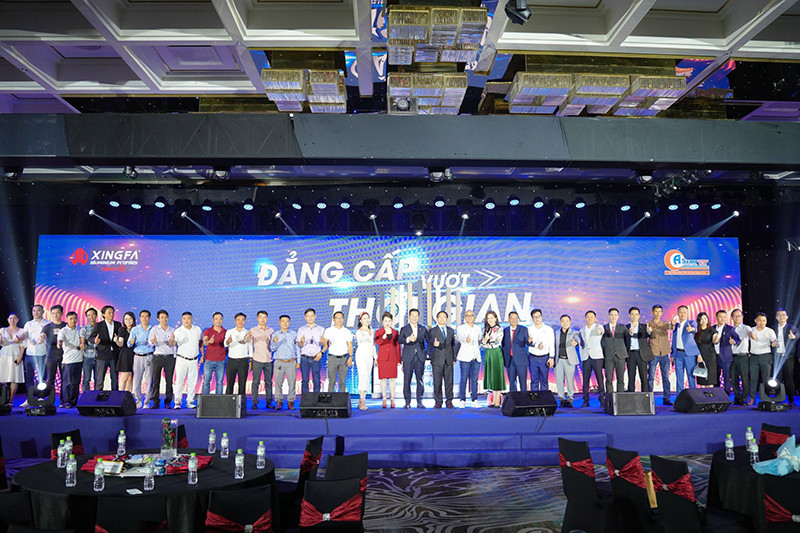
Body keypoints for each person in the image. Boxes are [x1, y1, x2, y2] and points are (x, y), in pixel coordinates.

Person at [399, 308, 427, 410]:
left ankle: (420, 401)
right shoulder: (404, 329)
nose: (414, 318)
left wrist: (426, 354)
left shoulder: (423, 329)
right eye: (412, 315)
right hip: (408, 357)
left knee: (420, 380)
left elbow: (428, 341)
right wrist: (408, 339)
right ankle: (407, 402)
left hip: (420, 357)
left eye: (416, 316)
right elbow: (400, 340)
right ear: (409, 317)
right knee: (407, 380)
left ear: (418, 317)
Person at [427, 310, 456, 409]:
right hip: (437, 359)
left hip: (449, 359)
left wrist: (454, 358)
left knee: (449, 382)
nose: (442, 319)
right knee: (437, 381)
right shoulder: (432, 330)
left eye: (444, 317)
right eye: (440, 317)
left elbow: (453, 345)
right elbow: (429, 342)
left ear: (447, 319)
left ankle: (449, 401)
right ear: (437, 319)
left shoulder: (451, 331)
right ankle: (438, 402)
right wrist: (433, 343)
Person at [173, 311, 202, 409]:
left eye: (188, 318)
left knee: (192, 382)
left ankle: (190, 401)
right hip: (182, 359)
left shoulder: (197, 329)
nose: (186, 320)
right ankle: (177, 402)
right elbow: (173, 343)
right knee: (179, 381)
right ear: (182, 320)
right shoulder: (178, 331)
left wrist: (202, 354)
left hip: (194, 359)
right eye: (184, 318)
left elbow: (200, 342)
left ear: (192, 319)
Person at [22, 304, 49, 404]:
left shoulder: (47, 324)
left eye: (38, 310)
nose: (36, 313)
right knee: (29, 377)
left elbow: (50, 340)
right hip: (30, 354)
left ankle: (41, 396)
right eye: (34, 311)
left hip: (43, 354)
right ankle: (29, 398)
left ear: (43, 312)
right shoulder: (28, 324)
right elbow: (24, 335)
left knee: (43, 377)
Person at [271, 314, 299, 410]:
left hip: (291, 362)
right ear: (279, 322)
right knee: (278, 383)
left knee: (292, 383)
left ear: (289, 323)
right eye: (283, 321)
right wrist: (276, 342)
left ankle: (291, 401)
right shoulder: (275, 335)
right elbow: (272, 348)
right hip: (279, 362)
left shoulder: (294, 334)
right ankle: (279, 401)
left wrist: (298, 361)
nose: (285, 323)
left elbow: (297, 348)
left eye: (287, 321)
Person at [149, 310, 176, 409]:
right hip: (158, 357)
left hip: (169, 358)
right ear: (158, 319)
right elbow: (150, 343)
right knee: (156, 380)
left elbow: (174, 344)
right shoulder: (154, 329)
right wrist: (153, 341)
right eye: (162, 317)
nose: (164, 319)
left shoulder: (172, 330)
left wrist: (172, 342)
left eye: (166, 317)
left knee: (169, 381)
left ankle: (168, 401)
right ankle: (155, 401)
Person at [748, 312, 777, 405]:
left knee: (766, 379)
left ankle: (766, 397)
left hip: (765, 356)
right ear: (755, 321)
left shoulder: (769, 331)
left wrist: (774, 343)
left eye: (764, 320)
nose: (762, 322)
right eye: (760, 320)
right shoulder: (751, 330)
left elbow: (775, 340)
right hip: (753, 357)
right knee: (753, 378)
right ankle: (752, 398)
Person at [647, 305, 674, 405]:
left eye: (659, 311)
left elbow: (670, 327)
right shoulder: (649, 324)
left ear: (662, 313)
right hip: (653, 353)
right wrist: (649, 331)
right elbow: (648, 333)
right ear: (652, 312)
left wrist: (672, 324)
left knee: (665, 377)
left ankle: (666, 397)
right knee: (651, 377)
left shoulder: (664, 324)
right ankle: (649, 397)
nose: (658, 313)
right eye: (656, 311)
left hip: (664, 353)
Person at [57, 311, 84, 408]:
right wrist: (59, 343)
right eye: (71, 319)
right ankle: (66, 401)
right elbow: (60, 341)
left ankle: (74, 401)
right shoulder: (63, 331)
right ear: (67, 319)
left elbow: (82, 340)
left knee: (76, 383)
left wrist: (82, 344)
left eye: (75, 318)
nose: (73, 321)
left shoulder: (80, 329)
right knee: (67, 382)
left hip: (79, 360)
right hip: (68, 361)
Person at [322, 311, 353, 394]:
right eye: (337, 318)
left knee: (342, 381)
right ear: (333, 319)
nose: (339, 320)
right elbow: (325, 343)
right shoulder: (329, 330)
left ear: (343, 319)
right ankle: (330, 399)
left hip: (344, 358)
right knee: (331, 381)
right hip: (332, 358)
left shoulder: (347, 331)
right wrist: (323, 341)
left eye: (341, 318)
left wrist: (350, 357)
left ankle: (341, 399)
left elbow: (350, 345)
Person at [92, 305, 121, 391]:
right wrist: (95, 341)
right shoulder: (99, 325)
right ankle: (98, 397)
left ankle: (115, 397)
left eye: (112, 312)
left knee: (115, 378)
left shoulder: (118, 324)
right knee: (100, 379)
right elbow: (91, 337)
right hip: (102, 355)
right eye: (109, 313)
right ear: (103, 314)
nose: (111, 314)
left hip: (114, 355)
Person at [456, 310, 482, 408]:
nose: (470, 317)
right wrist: (466, 340)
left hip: (476, 357)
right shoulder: (461, 328)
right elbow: (460, 338)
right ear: (465, 317)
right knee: (463, 379)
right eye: (467, 315)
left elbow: (479, 340)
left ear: (474, 317)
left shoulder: (478, 328)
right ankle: (462, 399)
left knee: (474, 380)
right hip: (465, 357)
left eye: (472, 315)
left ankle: (474, 399)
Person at [249, 311, 275, 409]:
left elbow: (274, 344)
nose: (263, 319)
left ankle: (269, 402)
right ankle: (254, 402)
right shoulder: (253, 330)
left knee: (268, 382)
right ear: (257, 319)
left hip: (269, 360)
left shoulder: (271, 330)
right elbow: (247, 342)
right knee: (256, 382)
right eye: (260, 317)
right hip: (257, 359)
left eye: (264, 317)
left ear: (267, 319)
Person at [671, 305, 700, 394]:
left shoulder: (691, 323)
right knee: (679, 377)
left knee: (691, 376)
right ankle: (679, 396)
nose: (682, 314)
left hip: (689, 354)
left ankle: (694, 396)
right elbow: (673, 340)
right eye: (681, 312)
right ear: (678, 314)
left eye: (684, 312)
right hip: (678, 354)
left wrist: (692, 329)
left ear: (687, 314)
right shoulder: (676, 325)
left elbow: (695, 329)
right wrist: (672, 354)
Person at [772, 308, 798, 405]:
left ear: (787, 317)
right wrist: (772, 345)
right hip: (777, 357)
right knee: (776, 380)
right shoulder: (773, 328)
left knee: (789, 379)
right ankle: (778, 398)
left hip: (788, 357)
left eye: (783, 315)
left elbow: (797, 335)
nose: (781, 317)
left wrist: (794, 337)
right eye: (779, 315)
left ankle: (791, 399)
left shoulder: (792, 328)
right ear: (776, 317)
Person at [128, 310, 154, 408]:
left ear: (149, 318)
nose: (144, 318)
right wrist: (131, 342)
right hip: (137, 356)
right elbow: (128, 344)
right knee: (137, 380)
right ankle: (138, 400)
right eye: (142, 316)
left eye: (146, 316)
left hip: (149, 356)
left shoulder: (153, 329)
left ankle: (147, 401)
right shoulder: (135, 329)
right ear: (139, 318)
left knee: (149, 380)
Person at [579, 310, 605, 407]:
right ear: (585, 318)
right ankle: (585, 400)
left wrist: (599, 332)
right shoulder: (582, 330)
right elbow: (581, 344)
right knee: (585, 379)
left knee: (599, 378)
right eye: (588, 317)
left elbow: (601, 332)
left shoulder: (599, 327)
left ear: (595, 318)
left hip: (597, 356)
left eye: (592, 317)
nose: (589, 319)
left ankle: (602, 399)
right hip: (586, 357)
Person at [41, 305, 66, 404]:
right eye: (53, 313)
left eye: (57, 313)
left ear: (62, 314)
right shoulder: (47, 327)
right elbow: (42, 335)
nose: (55, 315)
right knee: (50, 379)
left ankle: (64, 400)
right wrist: (41, 338)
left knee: (65, 378)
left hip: (64, 355)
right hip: (51, 355)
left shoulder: (66, 326)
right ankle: (50, 400)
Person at [375, 312, 400, 408]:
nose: (387, 323)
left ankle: (392, 398)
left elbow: (397, 346)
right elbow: (377, 343)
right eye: (385, 321)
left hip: (392, 357)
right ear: (382, 321)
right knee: (383, 379)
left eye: (389, 321)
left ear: (392, 321)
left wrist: (398, 359)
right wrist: (383, 338)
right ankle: (384, 398)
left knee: (392, 379)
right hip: (382, 358)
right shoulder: (379, 332)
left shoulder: (395, 332)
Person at [554, 314, 580, 408]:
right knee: (559, 380)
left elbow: (578, 339)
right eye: (563, 321)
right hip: (558, 360)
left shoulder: (574, 332)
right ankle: (561, 399)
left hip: (569, 360)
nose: (565, 323)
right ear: (560, 322)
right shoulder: (556, 333)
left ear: (570, 322)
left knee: (570, 380)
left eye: (567, 321)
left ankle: (570, 398)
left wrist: (576, 343)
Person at [297, 308, 325, 395]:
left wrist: (323, 343)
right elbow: (299, 345)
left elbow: (325, 344)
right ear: (305, 317)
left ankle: (316, 399)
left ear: (315, 316)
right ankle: (305, 400)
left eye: (312, 316)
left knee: (316, 380)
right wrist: (301, 341)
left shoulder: (321, 329)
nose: (310, 318)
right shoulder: (301, 329)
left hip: (316, 357)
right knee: (304, 380)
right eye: (308, 316)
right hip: (304, 357)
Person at [712, 310, 740, 398]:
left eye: (724, 317)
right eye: (720, 317)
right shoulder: (712, 328)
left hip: (726, 357)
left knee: (726, 377)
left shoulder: (730, 328)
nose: (723, 319)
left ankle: (726, 396)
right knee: (715, 377)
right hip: (714, 357)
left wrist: (734, 342)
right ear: (716, 318)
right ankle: (716, 395)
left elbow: (737, 339)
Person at [481, 311, 505, 408]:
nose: (490, 320)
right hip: (489, 353)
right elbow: (483, 343)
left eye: (492, 318)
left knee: (497, 376)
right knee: (491, 376)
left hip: (496, 352)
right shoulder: (487, 330)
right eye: (488, 318)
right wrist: (485, 340)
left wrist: (487, 344)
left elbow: (497, 342)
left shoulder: (499, 329)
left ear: (495, 318)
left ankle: (497, 401)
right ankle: (494, 400)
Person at [602, 308, 629, 394]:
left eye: (615, 315)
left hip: (620, 356)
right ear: (608, 316)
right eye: (611, 315)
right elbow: (602, 343)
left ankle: (620, 398)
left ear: (618, 316)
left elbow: (627, 341)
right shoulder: (604, 328)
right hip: (608, 357)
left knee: (620, 379)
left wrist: (626, 353)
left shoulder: (623, 327)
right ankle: (610, 398)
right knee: (608, 379)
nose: (613, 317)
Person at [0, 313, 26, 404]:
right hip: (4, 355)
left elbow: (22, 345)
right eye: (10, 318)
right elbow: (1, 342)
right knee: (3, 378)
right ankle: (3, 399)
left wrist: (20, 356)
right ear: (8, 320)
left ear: (18, 320)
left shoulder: (22, 331)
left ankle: (11, 400)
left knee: (14, 378)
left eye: (14, 318)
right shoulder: (3, 330)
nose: (12, 320)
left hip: (16, 354)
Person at [527, 309, 555, 392]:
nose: (537, 319)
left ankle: (544, 399)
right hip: (533, 357)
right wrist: (535, 345)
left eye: (538, 316)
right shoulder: (529, 329)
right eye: (535, 317)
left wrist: (551, 357)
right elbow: (527, 343)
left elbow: (552, 344)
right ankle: (534, 399)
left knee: (544, 380)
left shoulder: (548, 329)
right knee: (534, 380)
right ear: (532, 318)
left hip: (545, 358)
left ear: (541, 317)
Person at [501, 311, 529, 392]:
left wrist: (530, 341)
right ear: (509, 319)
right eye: (512, 318)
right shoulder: (504, 331)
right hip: (509, 361)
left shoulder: (524, 329)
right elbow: (503, 345)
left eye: (515, 318)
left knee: (523, 383)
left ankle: (524, 399)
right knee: (512, 383)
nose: (514, 320)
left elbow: (527, 342)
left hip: (521, 361)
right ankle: (513, 399)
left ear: (518, 319)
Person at [626, 307, 652, 392]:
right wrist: (629, 333)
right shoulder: (626, 327)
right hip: (631, 354)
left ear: (639, 316)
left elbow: (651, 336)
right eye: (632, 314)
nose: (634, 316)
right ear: (629, 315)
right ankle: (631, 395)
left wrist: (649, 332)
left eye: (636, 314)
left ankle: (645, 395)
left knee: (644, 377)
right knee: (631, 377)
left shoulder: (644, 326)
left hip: (642, 354)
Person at [355, 312, 377, 410]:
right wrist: (369, 334)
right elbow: (361, 341)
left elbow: (372, 345)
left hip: (369, 356)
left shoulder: (371, 331)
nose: (367, 320)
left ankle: (362, 399)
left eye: (368, 318)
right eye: (364, 318)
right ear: (360, 320)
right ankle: (362, 400)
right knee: (363, 375)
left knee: (367, 377)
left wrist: (375, 357)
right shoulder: (358, 332)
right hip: (361, 356)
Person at [225, 313, 250, 396]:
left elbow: (250, 347)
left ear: (245, 321)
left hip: (243, 361)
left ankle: (241, 402)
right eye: (238, 319)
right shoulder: (230, 332)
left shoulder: (248, 332)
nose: (240, 322)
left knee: (242, 384)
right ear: (235, 321)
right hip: (232, 361)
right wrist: (228, 341)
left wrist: (251, 360)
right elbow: (225, 344)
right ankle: (228, 402)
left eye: (242, 320)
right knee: (229, 384)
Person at [201, 312, 226, 396]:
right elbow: (205, 342)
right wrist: (209, 341)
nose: (218, 320)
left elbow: (228, 344)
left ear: (222, 320)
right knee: (206, 381)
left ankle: (219, 400)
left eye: (220, 319)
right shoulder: (207, 331)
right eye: (216, 319)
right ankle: (205, 400)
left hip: (221, 361)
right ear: (213, 320)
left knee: (219, 382)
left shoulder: (226, 332)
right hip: (209, 360)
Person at [730, 309, 751, 405]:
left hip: (743, 356)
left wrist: (752, 334)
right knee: (733, 379)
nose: (737, 318)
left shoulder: (746, 328)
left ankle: (744, 399)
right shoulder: (729, 329)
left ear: (742, 317)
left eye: (739, 316)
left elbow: (750, 333)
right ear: (732, 317)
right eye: (735, 316)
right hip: (731, 357)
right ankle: (737, 398)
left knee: (744, 378)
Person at [694, 312, 719, 387]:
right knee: (702, 377)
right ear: (699, 321)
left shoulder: (712, 330)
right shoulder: (696, 331)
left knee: (710, 378)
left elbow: (715, 339)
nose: (703, 320)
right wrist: (698, 355)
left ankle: (711, 393)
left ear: (708, 319)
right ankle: (703, 393)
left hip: (710, 355)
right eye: (701, 319)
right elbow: (694, 344)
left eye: (705, 318)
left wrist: (716, 339)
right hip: (700, 355)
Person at [116, 312, 136, 393]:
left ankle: (128, 395)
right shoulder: (122, 330)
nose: (128, 321)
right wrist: (117, 341)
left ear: (133, 320)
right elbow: (120, 343)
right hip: (125, 354)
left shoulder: (136, 330)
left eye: (130, 319)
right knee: (125, 376)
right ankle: (120, 395)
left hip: (134, 354)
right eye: (126, 319)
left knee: (130, 376)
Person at [80, 308, 98, 393]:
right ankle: (85, 397)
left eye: (93, 314)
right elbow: (82, 342)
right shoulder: (84, 329)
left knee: (98, 379)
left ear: (96, 315)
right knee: (86, 379)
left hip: (99, 357)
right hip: (87, 357)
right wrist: (82, 345)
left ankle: (97, 397)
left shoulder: (101, 327)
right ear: (86, 317)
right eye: (89, 315)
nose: (91, 317)